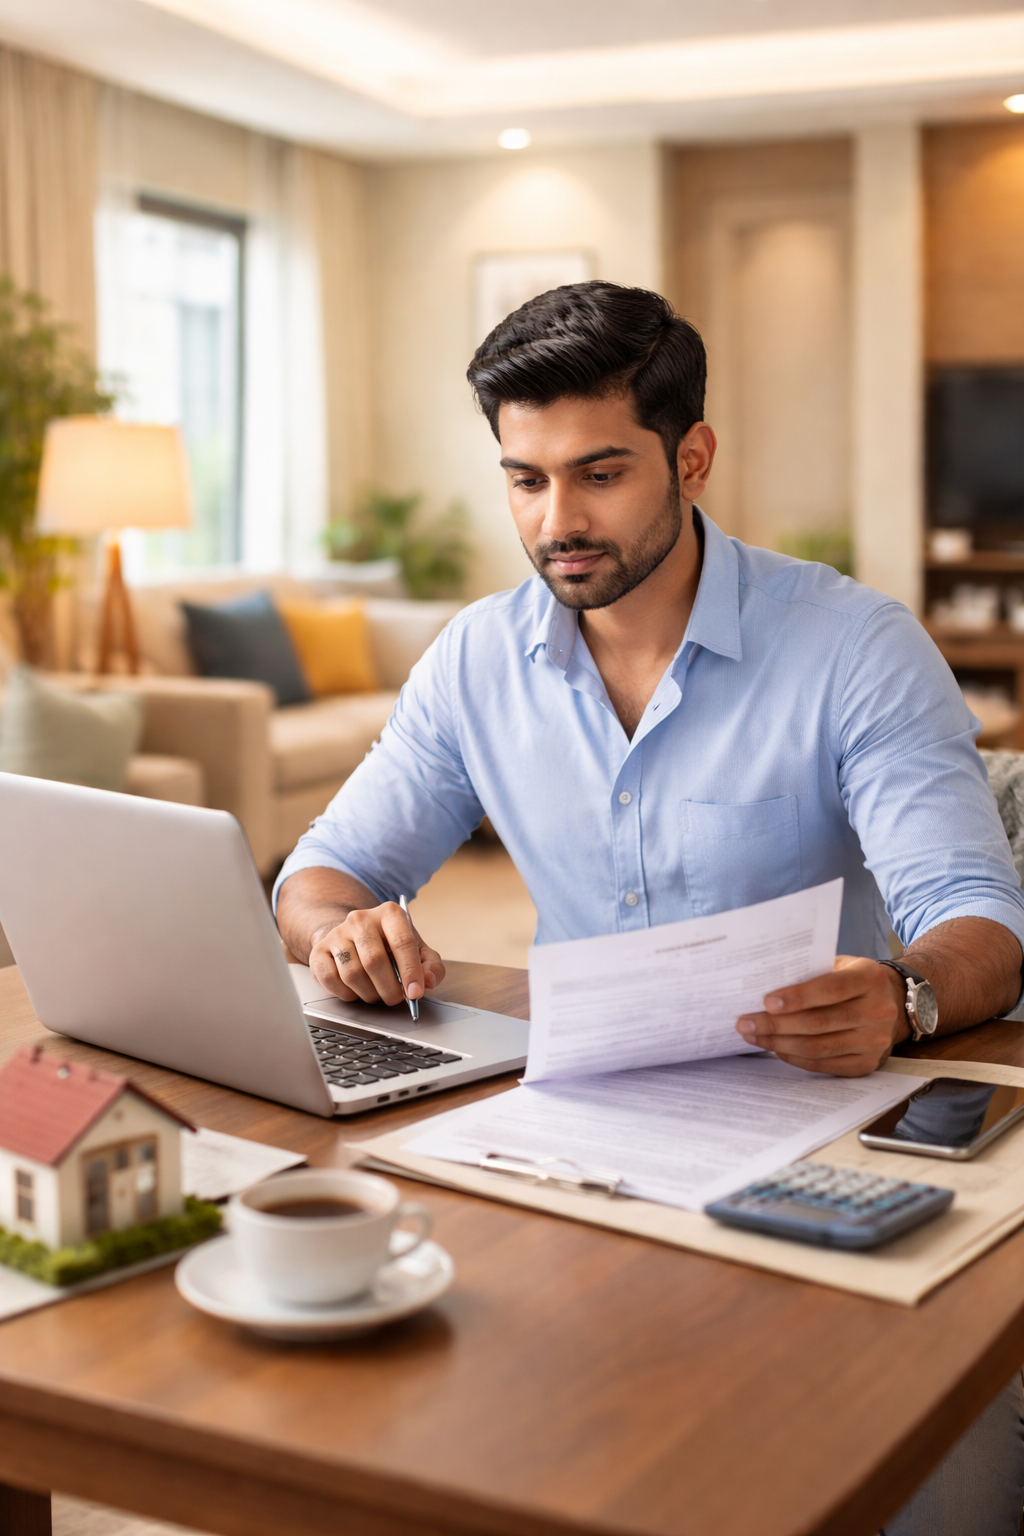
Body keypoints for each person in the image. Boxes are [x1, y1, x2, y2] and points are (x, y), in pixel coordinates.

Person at [275, 282, 1024, 1533]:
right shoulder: (475, 659)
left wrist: (902, 994)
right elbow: (320, 873)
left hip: (819, 1126)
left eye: (598, 473)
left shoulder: (852, 646)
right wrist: (340, 928)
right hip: (570, 1130)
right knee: (417, 1433)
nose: (555, 521)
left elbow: (978, 925)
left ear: (692, 456)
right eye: (523, 479)